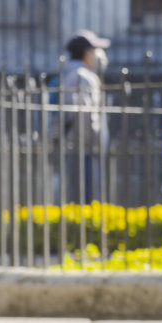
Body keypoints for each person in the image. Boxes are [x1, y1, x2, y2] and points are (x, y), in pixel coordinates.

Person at [60, 29, 109, 204]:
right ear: (87, 53)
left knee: (79, 196)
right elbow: (84, 115)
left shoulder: (69, 74)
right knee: (87, 199)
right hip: (86, 149)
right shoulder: (83, 77)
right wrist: (97, 141)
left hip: (77, 147)